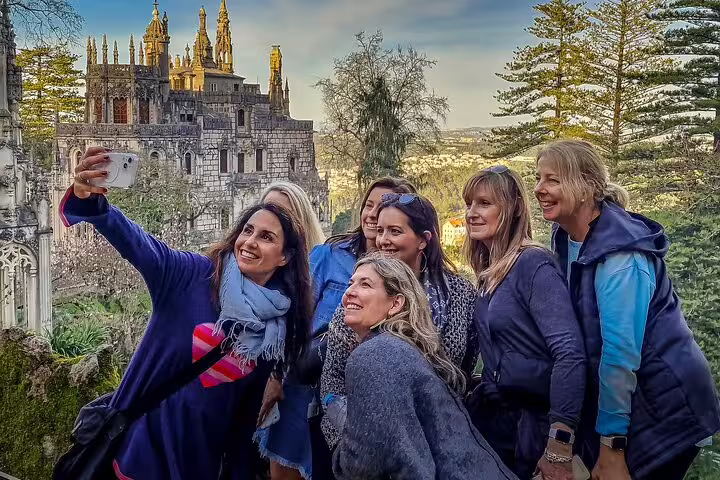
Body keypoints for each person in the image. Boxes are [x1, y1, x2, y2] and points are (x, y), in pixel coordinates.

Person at [61, 147, 313, 480]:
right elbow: (138, 243)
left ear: (284, 257)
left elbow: (241, 424)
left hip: (196, 468)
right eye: (247, 231)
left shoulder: (273, 330)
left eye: (266, 237)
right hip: (136, 455)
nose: (250, 242)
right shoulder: (191, 276)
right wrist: (92, 201)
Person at [534, 139, 720, 480]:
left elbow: (619, 353)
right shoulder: (566, 237)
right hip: (631, 402)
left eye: (552, 180)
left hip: (665, 406)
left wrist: (611, 448)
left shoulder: (621, 257)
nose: (539, 189)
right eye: (538, 178)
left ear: (587, 187)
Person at [256, 177, 416, 479]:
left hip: (355, 401)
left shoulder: (402, 275)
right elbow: (292, 317)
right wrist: (276, 375)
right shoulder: (330, 255)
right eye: (368, 204)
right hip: (302, 388)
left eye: (382, 208)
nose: (372, 214)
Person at [331, 254, 518, 480]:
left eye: (365, 284)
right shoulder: (400, 349)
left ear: (396, 303)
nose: (350, 291)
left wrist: (343, 452)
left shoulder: (376, 353)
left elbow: (369, 465)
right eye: (351, 283)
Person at [320, 193, 478, 449]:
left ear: (424, 240)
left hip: (440, 438)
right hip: (362, 443)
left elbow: (464, 367)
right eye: (380, 230)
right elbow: (333, 377)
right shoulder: (362, 292)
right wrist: (347, 441)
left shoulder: (458, 293)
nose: (383, 240)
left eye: (395, 231)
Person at [462, 166, 586, 480]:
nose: (472, 213)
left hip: (535, 430)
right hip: (500, 426)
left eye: (484, 203)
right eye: (469, 204)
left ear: (515, 207)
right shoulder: (490, 271)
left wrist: (559, 447)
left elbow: (569, 354)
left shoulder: (532, 263)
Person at [253, 182, 326, 480]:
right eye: (269, 209)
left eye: (284, 212)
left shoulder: (319, 264)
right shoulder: (257, 273)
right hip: (259, 389)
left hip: (303, 387)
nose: (275, 217)